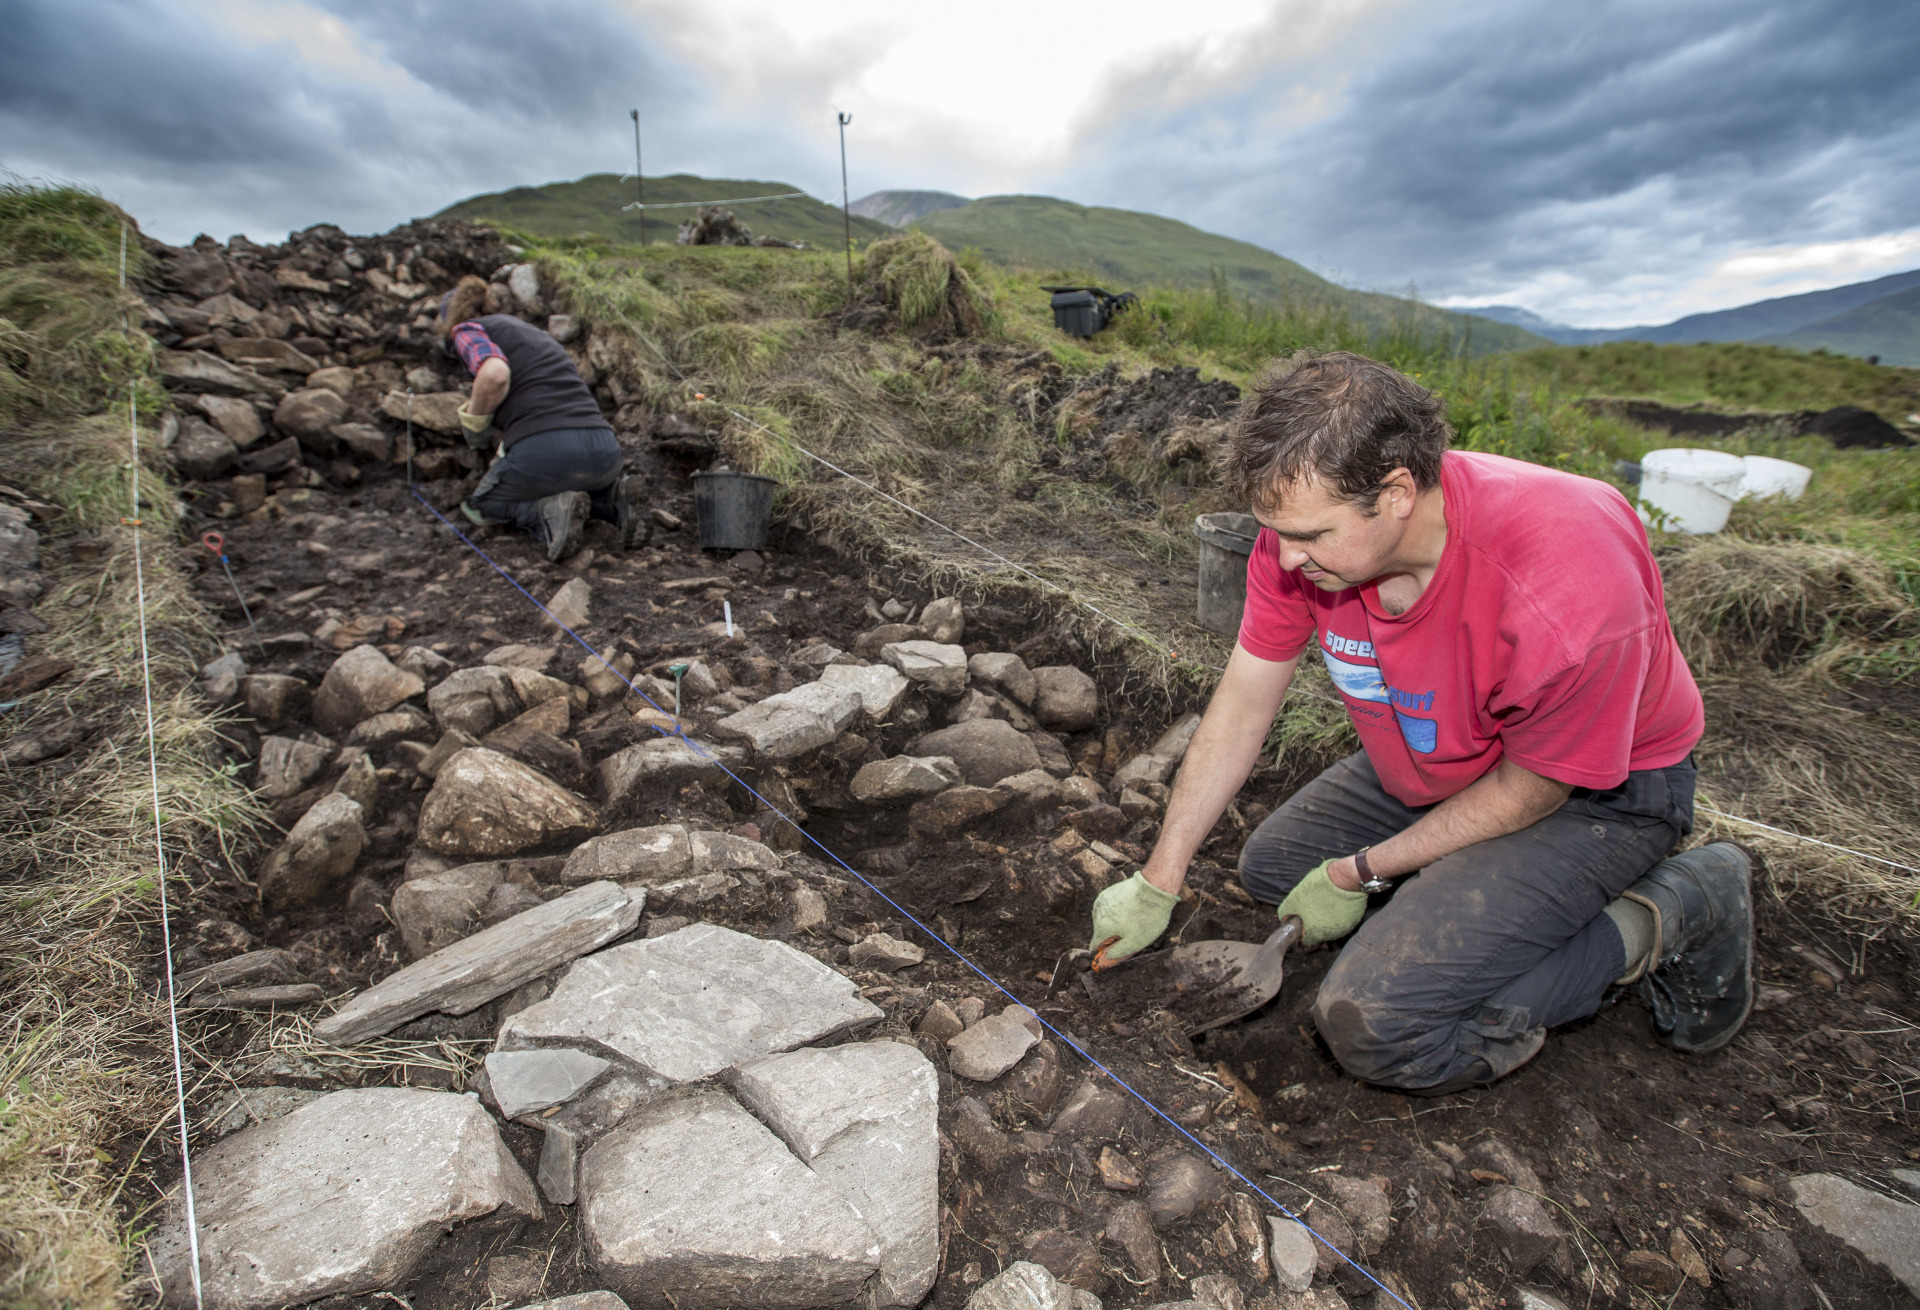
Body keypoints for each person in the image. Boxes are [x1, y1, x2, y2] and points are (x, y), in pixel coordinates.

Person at [1088, 352, 1753, 1094]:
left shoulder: (1566, 586)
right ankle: (1471, 911)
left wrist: (1361, 870)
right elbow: (1244, 701)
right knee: (1273, 870)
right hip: (1437, 752)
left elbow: (1532, 792)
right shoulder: (1299, 546)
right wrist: (1160, 876)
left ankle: (1675, 906)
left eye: (1311, 536)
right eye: (1279, 533)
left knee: (1379, 1022)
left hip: (1599, 794)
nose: (1289, 558)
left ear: (1397, 492)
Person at [437, 275, 646, 561]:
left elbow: (494, 375)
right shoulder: (529, 333)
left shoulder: (467, 329)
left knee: (482, 505)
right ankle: (611, 501)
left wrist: (476, 422)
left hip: (546, 449)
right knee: (567, 479)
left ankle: (545, 513)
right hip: (604, 450)